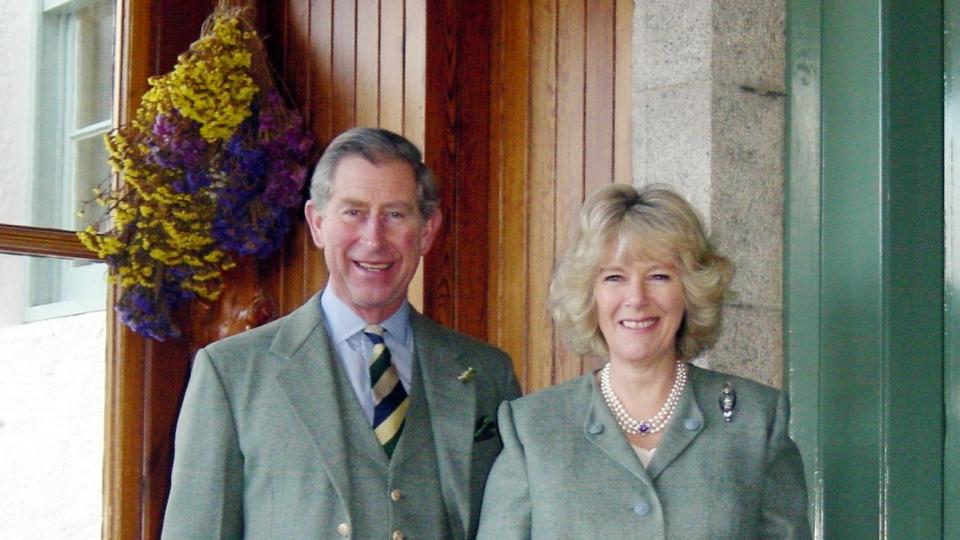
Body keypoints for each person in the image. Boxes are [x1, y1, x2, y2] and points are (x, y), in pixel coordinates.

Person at [162, 127, 522, 539]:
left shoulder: (488, 374)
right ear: (317, 223)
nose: (373, 239)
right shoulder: (232, 374)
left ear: (426, 230)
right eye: (353, 212)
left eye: (395, 214)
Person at [476, 184, 810, 539]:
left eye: (659, 276)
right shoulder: (533, 428)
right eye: (614, 277)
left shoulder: (756, 420)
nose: (636, 298)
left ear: (691, 290)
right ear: (589, 294)